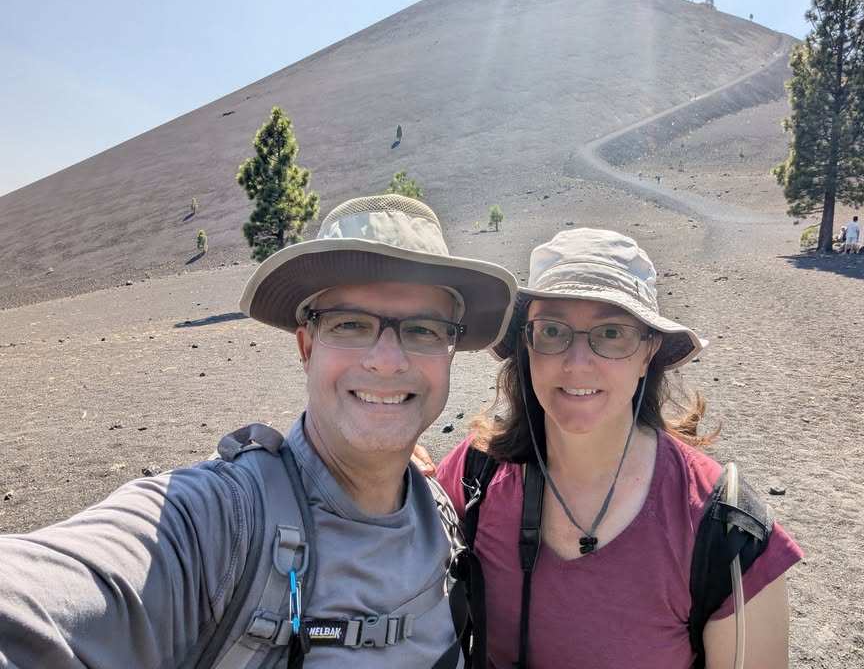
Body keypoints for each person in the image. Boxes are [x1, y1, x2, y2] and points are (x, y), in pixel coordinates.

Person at [0, 195, 517, 668]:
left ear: (449, 356)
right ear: (306, 348)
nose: (387, 360)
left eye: (424, 329)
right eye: (350, 324)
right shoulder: (215, 526)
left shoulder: (444, 519)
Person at [435, 228, 802, 668]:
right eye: (551, 330)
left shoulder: (728, 537)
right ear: (526, 346)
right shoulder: (473, 475)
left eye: (611, 333)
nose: (577, 364)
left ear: (649, 352)